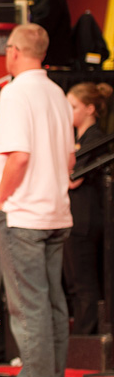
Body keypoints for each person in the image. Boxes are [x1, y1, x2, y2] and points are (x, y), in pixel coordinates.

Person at [0, 23, 75, 377]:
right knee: (52, 301)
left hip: (23, 211)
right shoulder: (57, 92)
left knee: (29, 303)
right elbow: (70, 158)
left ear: (15, 51)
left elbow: (19, 156)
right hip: (56, 208)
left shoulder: (16, 91)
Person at [63, 82, 112, 335]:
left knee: (84, 285)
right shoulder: (79, 140)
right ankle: (81, 338)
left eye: (73, 107)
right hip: (75, 218)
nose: (67, 112)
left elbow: (74, 178)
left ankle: (86, 340)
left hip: (85, 219)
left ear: (90, 109)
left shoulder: (95, 139)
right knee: (74, 283)